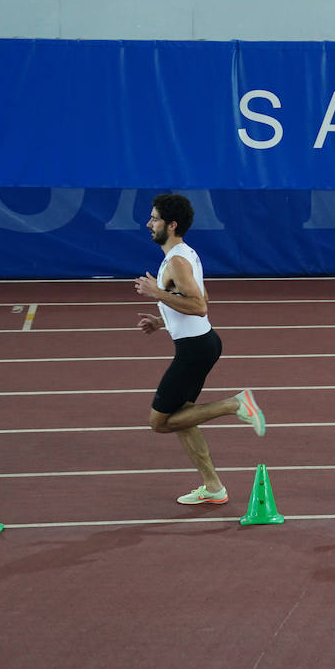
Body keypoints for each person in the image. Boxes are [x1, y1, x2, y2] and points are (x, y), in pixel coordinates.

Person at [134, 193, 265, 505]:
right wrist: (162, 320)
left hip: (195, 350)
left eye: (154, 218)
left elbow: (200, 305)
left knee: (160, 422)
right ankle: (213, 486)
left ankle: (234, 404)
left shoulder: (177, 261)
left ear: (172, 224)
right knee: (183, 417)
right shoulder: (184, 254)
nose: (149, 223)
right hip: (201, 344)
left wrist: (156, 292)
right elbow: (199, 297)